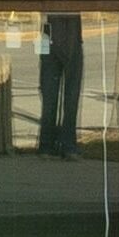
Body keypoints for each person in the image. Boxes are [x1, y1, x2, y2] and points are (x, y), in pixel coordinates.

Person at [38, 13, 84, 158]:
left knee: (50, 96)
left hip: (50, 31)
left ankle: (47, 145)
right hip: (69, 33)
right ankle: (67, 145)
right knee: (70, 96)